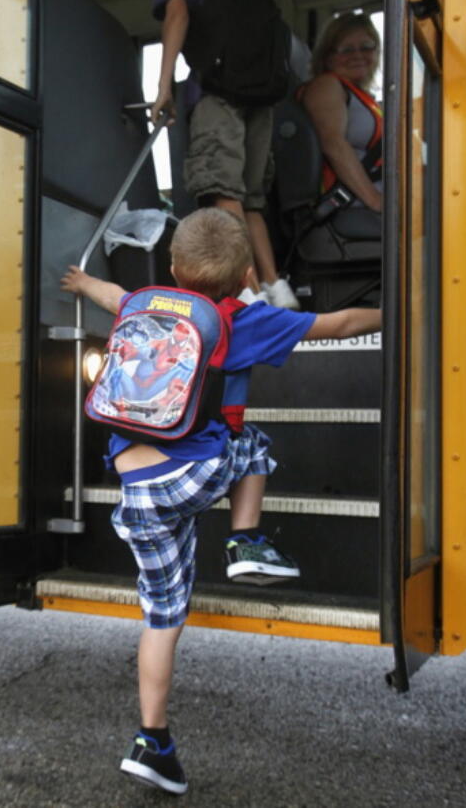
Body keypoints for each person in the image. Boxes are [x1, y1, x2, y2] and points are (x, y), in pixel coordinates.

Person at [59, 207, 380, 795]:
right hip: (199, 473)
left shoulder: (141, 306)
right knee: (253, 443)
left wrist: (81, 283)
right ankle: (245, 539)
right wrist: (399, 312)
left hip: (137, 494)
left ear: (174, 267)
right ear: (244, 278)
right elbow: (336, 325)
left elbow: (113, 295)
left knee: (161, 617)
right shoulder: (241, 319)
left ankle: (151, 741)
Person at [151, 0, 300, 309]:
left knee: (224, 193)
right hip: (260, 97)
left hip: (216, 94)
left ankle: (250, 297)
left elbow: (177, 14)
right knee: (251, 201)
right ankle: (276, 289)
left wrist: (164, 87)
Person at [299, 13, 383, 212]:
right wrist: (376, 201)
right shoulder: (327, 85)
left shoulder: (367, 99)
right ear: (328, 58)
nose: (358, 55)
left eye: (366, 47)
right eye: (346, 50)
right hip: (354, 210)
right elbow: (332, 143)